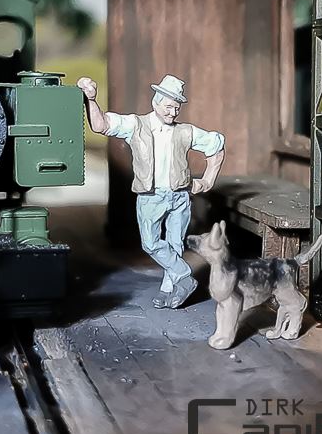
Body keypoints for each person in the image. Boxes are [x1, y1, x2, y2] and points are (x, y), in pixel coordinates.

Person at [78, 74, 225, 309]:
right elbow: (101, 125)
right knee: (151, 243)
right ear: (155, 102)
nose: (172, 112)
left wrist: (207, 179)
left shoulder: (185, 131)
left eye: (176, 108)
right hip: (151, 196)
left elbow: (216, 146)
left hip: (180, 195)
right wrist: (91, 100)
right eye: (168, 106)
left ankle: (170, 289)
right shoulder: (136, 125)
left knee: (175, 245)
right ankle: (184, 276)